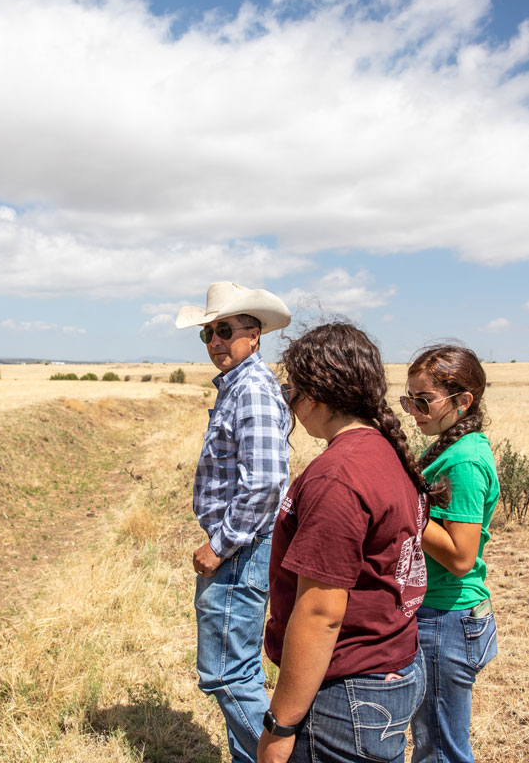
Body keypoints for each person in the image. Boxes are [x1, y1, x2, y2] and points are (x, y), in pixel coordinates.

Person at [259, 322, 437, 763]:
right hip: (391, 668)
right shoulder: (381, 450)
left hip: (347, 693)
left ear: (316, 396)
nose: (291, 407)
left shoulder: (337, 475)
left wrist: (279, 726)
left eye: (292, 394)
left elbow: (320, 614)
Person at [176, 281, 293, 763]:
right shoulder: (240, 385)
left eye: (224, 329)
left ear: (255, 334)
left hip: (243, 549)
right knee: (237, 670)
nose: (215, 341)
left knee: (228, 673)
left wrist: (221, 545)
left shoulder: (252, 388)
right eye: (207, 334)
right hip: (244, 545)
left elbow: (265, 482)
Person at [403, 344, 499, 763]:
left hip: (447, 619)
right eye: (409, 400)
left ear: (463, 401)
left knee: (440, 751)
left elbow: (461, 557)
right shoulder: (448, 447)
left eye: (424, 401)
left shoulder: (463, 461)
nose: (414, 410)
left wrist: (405, 510)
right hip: (444, 617)